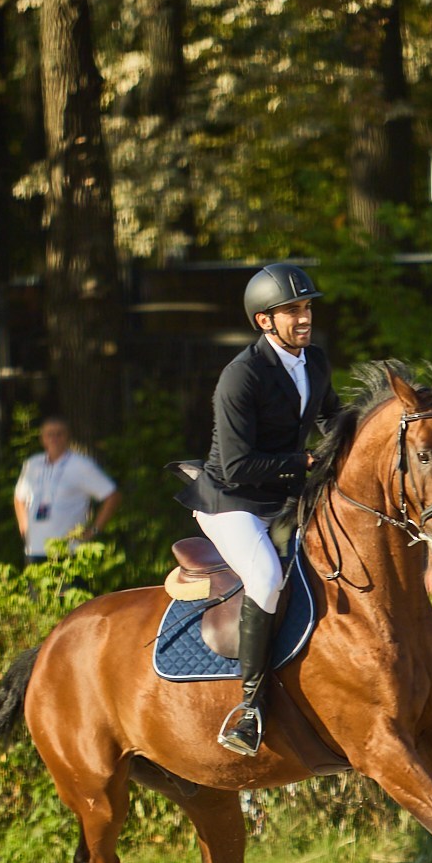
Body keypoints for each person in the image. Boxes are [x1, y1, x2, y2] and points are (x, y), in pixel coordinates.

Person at [181, 262, 339, 756]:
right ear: (264, 321)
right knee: (267, 578)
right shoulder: (241, 376)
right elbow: (238, 465)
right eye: (292, 310)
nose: (304, 317)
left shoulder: (314, 361)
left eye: (306, 307)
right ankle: (250, 708)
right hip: (233, 501)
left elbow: (334, 420)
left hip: (284, 495)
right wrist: (306, 462)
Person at [12, 416, 118, 565]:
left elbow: (112, 495)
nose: (54, 438)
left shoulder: (81, 465)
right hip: (35, 549)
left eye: (59, 434)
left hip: (69, 550)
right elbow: (19, 497)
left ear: (68, 437)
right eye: (49, 434)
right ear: (42, 439)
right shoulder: (32, 464)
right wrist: (24, 527)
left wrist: (94, 530)